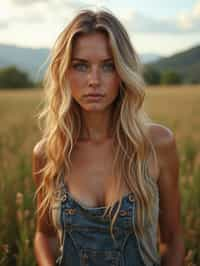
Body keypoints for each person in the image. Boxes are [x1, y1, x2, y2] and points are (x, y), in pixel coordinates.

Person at [32, 8, 185, 266]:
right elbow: (44, 235)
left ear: (123, 73)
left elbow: (172, 238)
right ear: (64, 73)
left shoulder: (157, 144)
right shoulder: (49, 152)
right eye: (80, 66)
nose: (94, 80)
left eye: (108, 66)